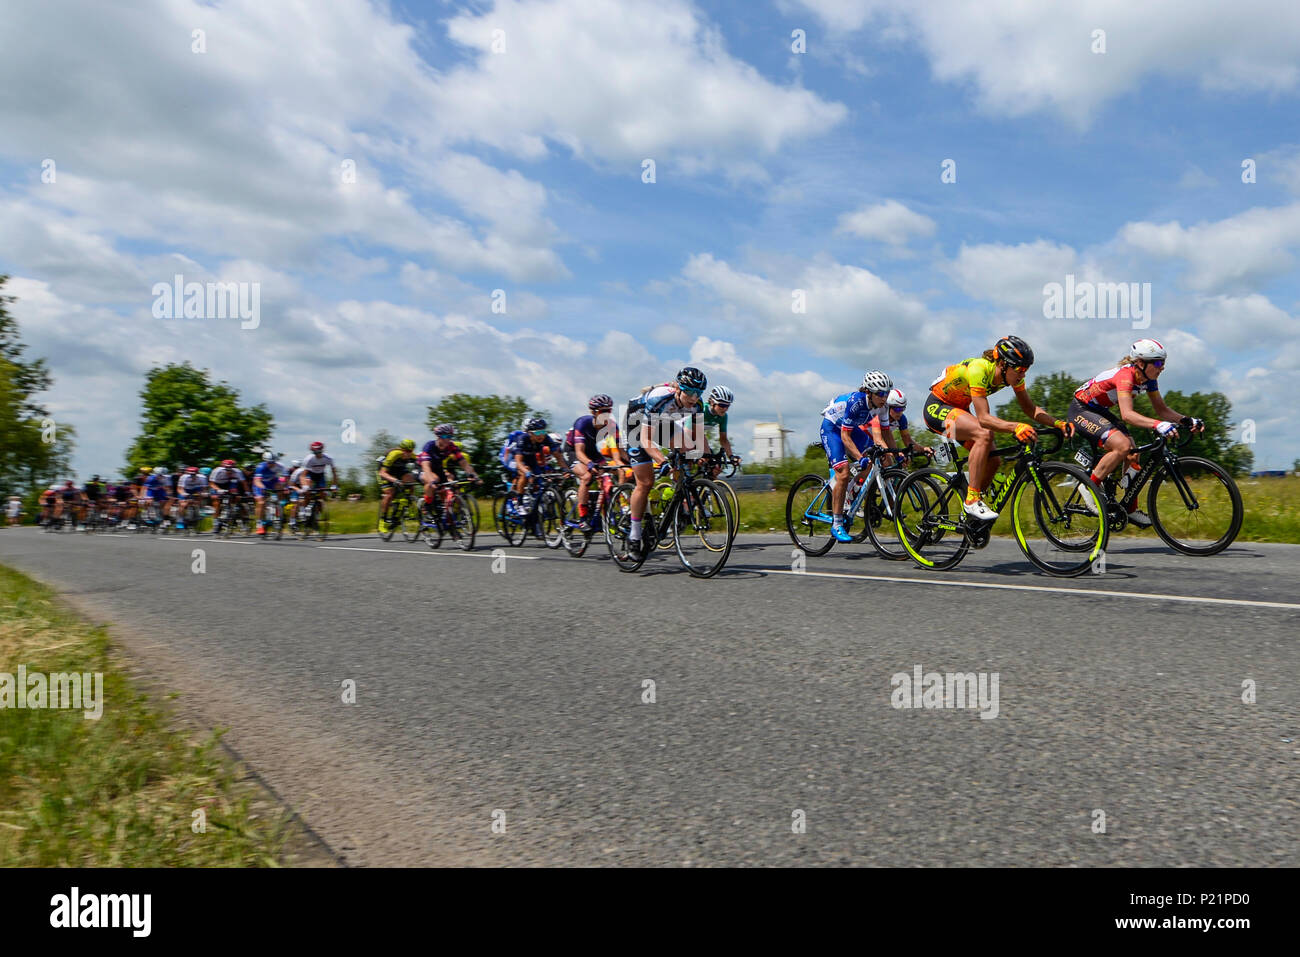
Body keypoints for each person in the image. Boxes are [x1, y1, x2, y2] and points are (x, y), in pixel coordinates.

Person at [925, 336, 1070, 521]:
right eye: (1019, 369)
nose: (1023, 374)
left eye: (1026, 369)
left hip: (958, 410)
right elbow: (984, 419)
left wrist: (1057, 423)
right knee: (984, 434)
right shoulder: (979, 369)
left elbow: (1029, 408)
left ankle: (971, 515)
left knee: (993, 461)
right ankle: (972, 500)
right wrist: (1015, 427)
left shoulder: (1012, 376)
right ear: (1002, 364)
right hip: (936, 408)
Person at [1068, 338, 1205, 528]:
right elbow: (1127, 415)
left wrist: (1187, 420)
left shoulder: (1149, 380)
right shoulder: (1126, 376)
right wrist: (1159, 425)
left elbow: (1162, 410)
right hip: (1081, 409)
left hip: (1099, 411)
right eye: (1158, 363)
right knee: (1123, 446)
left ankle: (1130, 509)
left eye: (1163, 362)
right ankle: (1088, 486)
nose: (1162, 367)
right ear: (1140, 363)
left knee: (1133, 454)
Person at [623, 366, 708, 554]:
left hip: (664, 422)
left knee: (686, 450)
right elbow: (646, 439)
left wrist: (704, 455)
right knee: (645, 483)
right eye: (690, 392)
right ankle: (635, 536)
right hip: (637, 426)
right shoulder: (659, 399)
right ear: (679, 389)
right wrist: (662, 461)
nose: (694, 397)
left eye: (699, 392)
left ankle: (679, 500)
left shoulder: (697, 405)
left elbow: (698, 436)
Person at [819, 370, 893, 542]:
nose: (884, 398)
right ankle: (837, 524)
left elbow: (887, 434)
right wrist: (860, 458)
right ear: (868, 392)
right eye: (880, 394)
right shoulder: (856, 403)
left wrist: (895, 454)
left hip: (852, 430)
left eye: (887, 393)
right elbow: (845, 437)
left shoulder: (883, 406)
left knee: (878, 459)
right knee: (843, 474)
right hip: (833, 430)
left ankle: (851, 492)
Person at [565, 395, 625, 531]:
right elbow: (580, 452)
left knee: (606, 479)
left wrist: (626, 462)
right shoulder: (583, 423)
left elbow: (618, 451)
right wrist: (589, 464)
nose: (606, 414)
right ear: (594, 412)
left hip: (592, 451)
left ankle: (600, 512)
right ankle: (583, 518)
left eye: (608, 411)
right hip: (573, 451)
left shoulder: (611, 426)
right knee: (586, 476)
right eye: (602, 411)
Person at [418, 425, 481, 522]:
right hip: (424, 468)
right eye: (444, 437)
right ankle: (427, 506)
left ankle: (449, 522)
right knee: (434, 480)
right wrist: (431, 481)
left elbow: (464, 463)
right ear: (438, 436)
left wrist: (474, 476)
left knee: (447, 492)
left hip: (438, 468)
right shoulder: (429, 446)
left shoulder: (452, 447)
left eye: (450, 437)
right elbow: (426, 466)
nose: (447, 439)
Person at [376, 439, 419, 533]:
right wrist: (395, 480)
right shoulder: (394, 454)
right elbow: (382, 473)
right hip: (384, 471)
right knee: (389, 494)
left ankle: (408, 503)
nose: (409, 453)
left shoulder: (412, 456)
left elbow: (419, 467)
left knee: (411, 481)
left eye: (411, 451)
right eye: (407, 451)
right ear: (402, 450)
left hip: (398, 469)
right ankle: (382, 521)